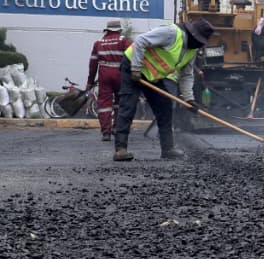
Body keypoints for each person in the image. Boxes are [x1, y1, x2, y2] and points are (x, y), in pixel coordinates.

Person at [112, 18, 214, 162]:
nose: (199, 44)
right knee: (128, 105)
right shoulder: (171, 33)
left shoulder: (192, 50)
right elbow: (141, 40)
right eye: (198, 41)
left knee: (165, 107)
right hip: (132, 67)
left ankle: (168, 149)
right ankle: (120, 149)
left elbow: (186, 75)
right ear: (192, 35)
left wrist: (189, 99)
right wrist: (136, 68)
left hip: (152, 76)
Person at [85, 19, 132, 142]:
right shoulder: (124, 41)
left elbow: (93, 64)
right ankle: (117, 128)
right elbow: (133, 57)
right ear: (119, 30)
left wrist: (90, 81)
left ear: (107, 30)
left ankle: (106, 132)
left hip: (104, 75)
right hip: (121, 75)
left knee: (104, 104)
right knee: (120, 102)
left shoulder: (98, 43)